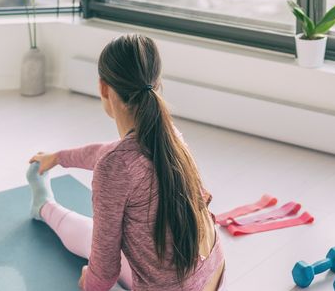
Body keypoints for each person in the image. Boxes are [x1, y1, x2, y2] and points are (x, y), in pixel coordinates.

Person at [26, 34, 225, 291]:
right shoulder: (168, 135)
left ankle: (43, 205)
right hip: (214, 275)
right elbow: (106, 153)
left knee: (95, 239)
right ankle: (44, 205)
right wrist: (58, 158)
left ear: (103, 88)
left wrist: (90, 280)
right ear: (157, 83)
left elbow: (105, 271)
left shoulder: (115, 165)